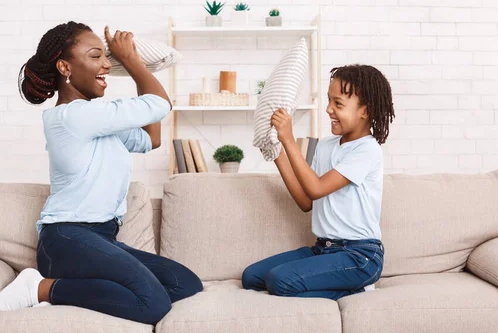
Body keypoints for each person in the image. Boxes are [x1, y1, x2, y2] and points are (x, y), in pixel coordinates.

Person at [0, 21, 202, 325]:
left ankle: (79, 290)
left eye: (107, 57)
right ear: (65, 67)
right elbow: (159, 105)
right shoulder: (72, 117)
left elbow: (151, 139)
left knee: (185, 283)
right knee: (153, 302)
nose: (107, 65)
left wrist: (143, 66)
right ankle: (39, 288)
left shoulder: (98, 121)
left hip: (102, 238)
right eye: (96, 56)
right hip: (67, 238)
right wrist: (132, 59)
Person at [242, 64, 395, 300]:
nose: (328, 109)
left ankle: (357, 288)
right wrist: (276, 151)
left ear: (365, 110)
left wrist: (289, 139)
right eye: (328, 101)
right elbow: (306, 200)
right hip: (324, 249)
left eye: (338, 104)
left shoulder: (367, 150)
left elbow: (316, 188)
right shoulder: (326, 146)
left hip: (359, 256)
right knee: (251, 277)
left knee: (279, 281)